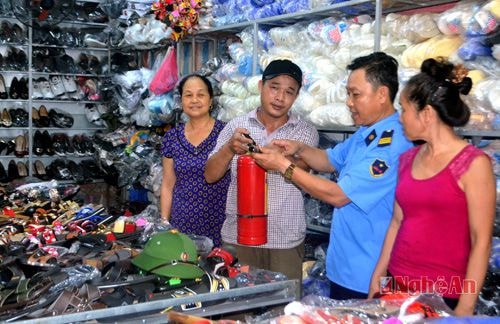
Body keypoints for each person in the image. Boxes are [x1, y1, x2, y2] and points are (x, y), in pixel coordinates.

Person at [252, 52, 414, 299]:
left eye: (355, 94)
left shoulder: (390, 146)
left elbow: (338, 195)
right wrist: (299, 148)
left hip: (368, 273)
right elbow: (329, 160)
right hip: (346, 265)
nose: (349, 102)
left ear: (382, 94)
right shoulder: (366, 133)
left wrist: (283, 165)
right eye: (348, 94)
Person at [368, 58, 495, 315]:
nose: (400, 118)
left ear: (426, 114)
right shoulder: (407, 159)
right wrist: (378, 277)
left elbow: (481, 240)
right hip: (396, 283)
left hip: (445, 292)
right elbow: (396, 221)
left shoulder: (473, 164)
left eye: (403, 109)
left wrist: (466, 307)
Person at [204, 59, 319, 282]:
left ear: (296, 96)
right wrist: (229, 149)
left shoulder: (304, 133)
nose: (279, 97)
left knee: (282, 310)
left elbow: (305, 175)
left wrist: (280, 160)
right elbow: (210, 175)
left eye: (289, 92)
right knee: (237, 309)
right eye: (274, 87)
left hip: (284, 240)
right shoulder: (236, 126)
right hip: (239, 238)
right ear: (260, 86)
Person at [160, 74, 230, 247]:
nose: (194, 100)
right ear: (181, 101)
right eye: (188, 95)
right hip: (182, 224)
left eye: (201, 94)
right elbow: (168, 184)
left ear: (211, 100)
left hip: (220, 224)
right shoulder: (172, 137)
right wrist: (163, 222)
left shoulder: (227, 133)